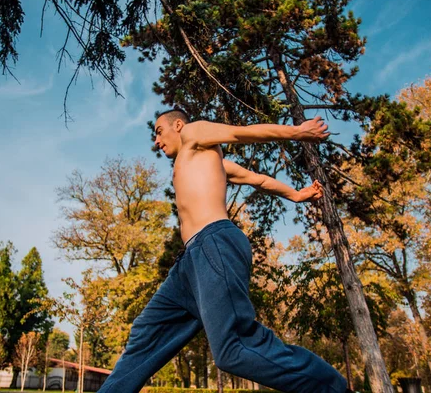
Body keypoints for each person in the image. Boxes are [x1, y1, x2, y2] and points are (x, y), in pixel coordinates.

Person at [97, 109, 348, 393]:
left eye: (158, 131)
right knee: (146, 333)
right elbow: (258, 179)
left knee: (233, 349)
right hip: (189, 264)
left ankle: (333, 388)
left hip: (214, 243)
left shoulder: (193, 133)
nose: (157, 141)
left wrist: (297, 132)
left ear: (178, 125)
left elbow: (241, 132)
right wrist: (296, 194)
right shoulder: (212, 163)